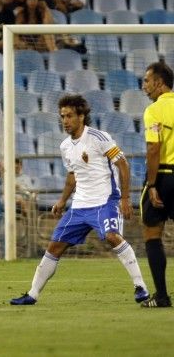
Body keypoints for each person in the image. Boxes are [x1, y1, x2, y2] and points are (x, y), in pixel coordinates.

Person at [10, 94, 149, 306]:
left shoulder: (99, 138)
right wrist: (61, 201)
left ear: (81, 116)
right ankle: (32, 294)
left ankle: (140, 286)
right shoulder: (65, 146)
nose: (65, 121)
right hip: (80, 205)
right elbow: (72, 175)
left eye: (69, 116)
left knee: (112, 237)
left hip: (105, 200)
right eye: (62, 116)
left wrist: (126, 198)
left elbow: (123, 165)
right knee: (55, 246)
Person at [140, 62, 174, 307]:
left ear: (159, 82)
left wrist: (152, 185)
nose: (144, 86)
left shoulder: (154, 110)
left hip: (163, 176)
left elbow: (154, 148)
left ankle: (161, 296)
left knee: (153, 234)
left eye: (146, 81)